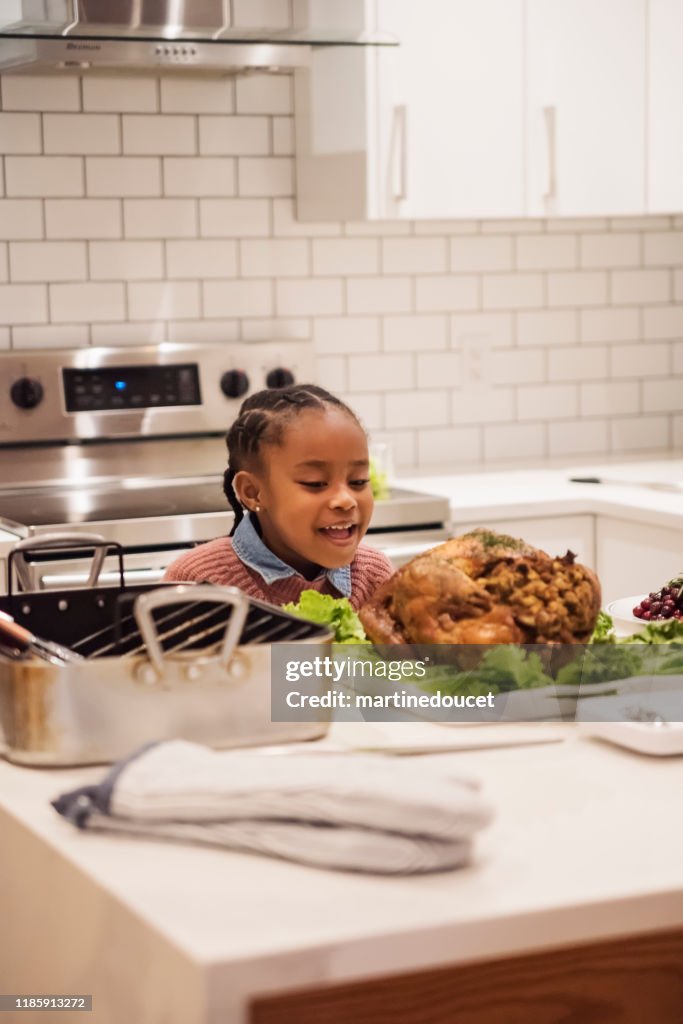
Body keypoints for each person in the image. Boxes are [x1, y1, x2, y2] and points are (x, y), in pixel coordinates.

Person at [163, 384, 395, 610]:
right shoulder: (198, 581)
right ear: (252, 493)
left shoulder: (375, 577)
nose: (346, 500)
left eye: (358, 481)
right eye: (314, 483)